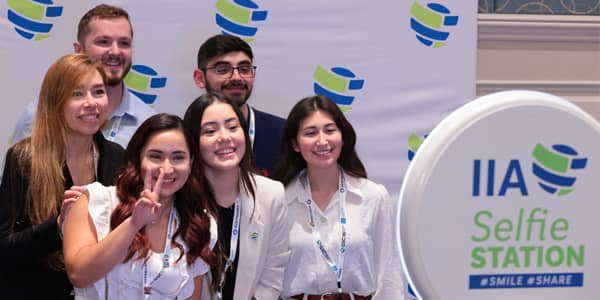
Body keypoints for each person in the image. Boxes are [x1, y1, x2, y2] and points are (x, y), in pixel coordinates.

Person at [0, 53, 124, 299]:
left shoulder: (117, 157)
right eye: (77, 94)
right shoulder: (24, 159)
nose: (91, 102)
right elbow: (5, 249)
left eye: (98, 92)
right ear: (55, 102)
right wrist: (59, 226)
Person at [63, 113, 216, 299]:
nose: (167, 169)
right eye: (156, 157)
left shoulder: (198, 223)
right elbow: (79, 275)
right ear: (138, 159)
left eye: (178, 158)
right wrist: (133, 224)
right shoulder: (96, 201)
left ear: (191, 162)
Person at [272, 95, 405, 300]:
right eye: (310, 133)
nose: (322, 141)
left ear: (342, 137)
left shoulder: (372, 196)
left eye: (330, 130)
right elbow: (269, 278)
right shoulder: (279, 200)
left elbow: (389, 277)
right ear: (295, 144)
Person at [183, 92, 289, 300]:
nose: (224, 137)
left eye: (233, 127)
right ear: (193, 141)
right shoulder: (182, 198)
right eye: (210, 131)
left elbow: (274, 272)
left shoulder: (271, 194)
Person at [12, 4, 155, 148]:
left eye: (124, 43)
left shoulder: (148, 123)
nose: (115, 52)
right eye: (103, 42)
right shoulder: (38, 116)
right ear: (79, 50)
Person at [193, 34, 284, 176]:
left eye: (244, 69)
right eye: (222, 70)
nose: (236, 77)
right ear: (200, 78)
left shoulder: (282, 133)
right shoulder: (185, 137)